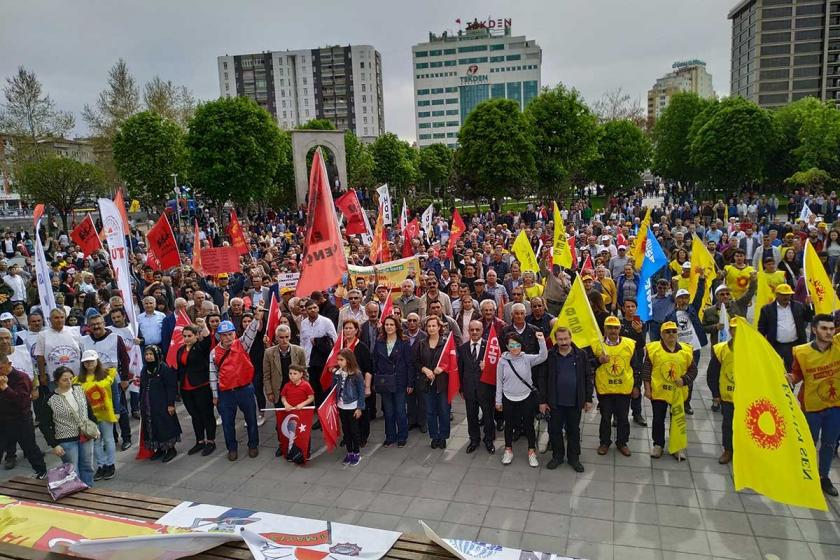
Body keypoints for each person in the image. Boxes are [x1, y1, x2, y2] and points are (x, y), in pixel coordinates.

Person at [789, 314, 840, 496]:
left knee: (829, 444)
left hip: (835, 407)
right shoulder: (801, 352)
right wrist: (790, 379)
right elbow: (797, 374)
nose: (828, 332)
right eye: (824, 328)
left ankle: (824, 477)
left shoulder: (838, 345)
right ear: (813, 329)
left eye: (831, 329)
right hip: (811, 407)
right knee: (808, 443)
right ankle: (805, 476)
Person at [536, 326, 593, 472]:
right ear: (556, 340)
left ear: (571, 338)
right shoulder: (549, 356)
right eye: (560, 339)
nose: (563, 342)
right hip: (555, 402)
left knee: (573, 430)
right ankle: (557, 456)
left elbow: (588, 377)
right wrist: (542, 401)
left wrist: (588, 399)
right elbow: (542, 379)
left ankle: (574, 458)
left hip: (575, 402)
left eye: (566, 338)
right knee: (554, 430)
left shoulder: (581, 355)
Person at [210, 308, 263, 461]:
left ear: (235, 333)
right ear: (219, 336)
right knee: (227, 422)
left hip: (245, 389)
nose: (227, 338)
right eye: (224, 335)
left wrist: (257, 318)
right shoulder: (213, 353)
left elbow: (250, 332)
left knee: (251, 419)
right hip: (226, 393)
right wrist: (215, 395)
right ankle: (231, 448)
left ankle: (253, 445)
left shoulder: (242, 344)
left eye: (230, 334)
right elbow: (212, 375)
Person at [643, 321, 697, 461]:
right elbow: (647, 371)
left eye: (674, 331)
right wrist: (647, 389)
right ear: (661, 334)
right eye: (667, 331)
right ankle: (658, 444)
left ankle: (676, 446)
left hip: (678, 394)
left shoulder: (686, 350)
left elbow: (693, 370)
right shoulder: (653, 349)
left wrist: (684, 380)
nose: (671, 334)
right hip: (659, 392)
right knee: (658, 420)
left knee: (677, 420)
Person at [495, 330, 548, 467]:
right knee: (509, 425)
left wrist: (541, 340)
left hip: (526, 397)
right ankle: (508, 450)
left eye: (517, 345)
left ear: (521, 345)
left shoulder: (526, 358)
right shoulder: (502, 361)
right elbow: (499, 382)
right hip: (508, 397)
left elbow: (543, 356)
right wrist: (498, 400)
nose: (515, 348)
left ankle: (531, 451)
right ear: (507, 347)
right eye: (511, 345)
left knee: (529, 425)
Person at [42, 366, 96, 487]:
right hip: (66, 439)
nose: (69, 382)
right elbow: (44, 425)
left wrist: (94, 426)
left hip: (85, 435)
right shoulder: (50, 399)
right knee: (72, 470)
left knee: (87, 466)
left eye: (71, 378)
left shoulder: (79, 389)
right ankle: (75, 493)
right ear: (56, 381)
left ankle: (89, 489)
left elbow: (89, 410)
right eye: (65, 379)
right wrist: (54, 444)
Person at [595, 316, 638, 457]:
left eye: (616, 327)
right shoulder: (597, 344)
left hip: (624, 388)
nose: (613, 330)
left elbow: (636, 366)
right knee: (605, 417)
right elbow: (588, 364)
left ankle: (622, 442)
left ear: (620, 329)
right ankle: (604, 442)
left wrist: (637, 386)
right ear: (604, 329)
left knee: (623, 418)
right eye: (609, 327)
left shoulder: (630, 344)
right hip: (605, 389)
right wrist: (598, 361)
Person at [665, 273, 707, 415]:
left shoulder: (693, 309)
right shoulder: (670, 316)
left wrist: (701, 280)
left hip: (694, 348)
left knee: (690, 376)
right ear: (676, 300)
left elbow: (700, 296)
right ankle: (674, 400)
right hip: (679, 350)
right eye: (680, 298)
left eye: (685, 298)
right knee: (677, 375)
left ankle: (687, 403)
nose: (683, 301)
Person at [0, 355, 47, 479]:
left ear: (8, 364)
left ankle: (41, 471)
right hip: (3, 420)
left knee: (29, 447)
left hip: (20, 419)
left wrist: (5, 388)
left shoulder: (21, 377)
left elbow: (22, 402)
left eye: (0, 368)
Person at [76, 350, 118, 481]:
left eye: (91, 361)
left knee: (108, 439)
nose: (89, 363)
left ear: (97, 361)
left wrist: (117, 411)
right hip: (89, 415)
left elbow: (116, 393)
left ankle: (110, 465)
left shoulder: (108, 374)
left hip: (106, 412)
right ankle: (101, 465)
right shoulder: (78, 380)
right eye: (86, 362)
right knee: (96, 441)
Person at [176, 323, 217, 457]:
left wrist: (204, 326)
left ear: (196, 336)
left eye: (190, 336)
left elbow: (207, 340)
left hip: (201, 386)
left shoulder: (200, 348)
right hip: (186, 388)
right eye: (185, 336)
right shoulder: (181, 350)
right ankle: (200, 441)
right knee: (195, 415)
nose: (187, 338)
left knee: (206, 415)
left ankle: (210, 441)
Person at [373, 315, 414, 447]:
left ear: (396, 326)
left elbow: (409, 363)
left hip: (400, 381)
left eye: (391, 324)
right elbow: (375, 360)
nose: (389, 327)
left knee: (400, 410)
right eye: (386, 325)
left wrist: (410, 383)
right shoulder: (379, 341)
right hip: (385, 381)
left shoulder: (404, 341)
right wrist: (376, 378)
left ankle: (402, 436)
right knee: (389, 411)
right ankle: (390, 436)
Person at [457, 320, 495, 454]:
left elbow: (497, 368)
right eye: (472, 330)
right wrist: (461, 388)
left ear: (482, 330)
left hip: (486, 390)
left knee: (488, 417)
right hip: (469, 390)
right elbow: (460, 370)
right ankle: (474, 440)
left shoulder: (490, 347)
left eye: (477, 330)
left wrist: (488, 368)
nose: (474, 332)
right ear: (468, 331)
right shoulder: (462, 348)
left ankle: (489, 440)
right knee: (471, 416)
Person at [139, 345, 181, 463]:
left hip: (162, 403)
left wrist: (170, 404)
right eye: (146, 354)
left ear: (157, 355)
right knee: (152, 426)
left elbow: (171, 387)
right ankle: (160, 449)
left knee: (165, 425)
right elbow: (142, 386)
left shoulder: (164, 368)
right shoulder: (145, 369)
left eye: (151, 354)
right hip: (148, 404)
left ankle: (171, 449)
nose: (148, 357)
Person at [416, 315, 451, 449]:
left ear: (439, 327)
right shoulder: (421, 344)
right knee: (430, 412)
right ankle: (434, 436)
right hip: (426, 384)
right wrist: (425, 369)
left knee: (443, 411)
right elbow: (416, 362)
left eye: (434, 326)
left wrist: (442, 368)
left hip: (442, 383)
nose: (431, 328)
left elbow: (453, 360)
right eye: (429, 326)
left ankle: (443, 436)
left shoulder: (446, 342)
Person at [757, 283, 810, 371]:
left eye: (788, 294)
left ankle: (790, 385)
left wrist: (808, 306)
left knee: (792, 370)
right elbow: (762, 328)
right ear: (776, 294)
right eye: (783, 295)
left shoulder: (798, 306)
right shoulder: (767, 309)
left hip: (794, 345)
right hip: (776, 345)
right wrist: (761, 344)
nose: (786, 297)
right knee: (774, 369)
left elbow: (809, 318)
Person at [707, 319, 738, 465]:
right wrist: (715, 394)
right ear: (730, 331)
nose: (737, 332)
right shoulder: (721, 349)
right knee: (727, 424)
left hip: (746, 397)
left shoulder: (752, 351)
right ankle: (728, 450)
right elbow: (712, 374)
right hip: (727, 395)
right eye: (734, 329)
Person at [339, 319, 374, 446]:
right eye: (346, 328)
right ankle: (347, 437)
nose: (348, 330)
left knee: (361, 414)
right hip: (344, 386)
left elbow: (369, 369)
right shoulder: (340, 345)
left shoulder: (362, 347)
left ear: (356, 330)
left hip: (359, 385)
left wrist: (367, 387)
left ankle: (362, 437)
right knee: (346, 414)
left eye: (350, 328)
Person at [332, 348, 366, 466]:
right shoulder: (337, 373)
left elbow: (361, 392)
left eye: (341, 360)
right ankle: (349, 451)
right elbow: (334, 390)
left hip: (352, 406)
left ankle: (356, 453)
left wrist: (360, 407)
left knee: (354, 431)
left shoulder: (356, 374)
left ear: (349, 360)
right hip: (341, 406)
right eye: (338, 360)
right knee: (346, 430)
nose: (339, 362)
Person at [279, 364, 314, 461]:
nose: (292, 376)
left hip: (302, 414)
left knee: (304, 432)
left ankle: (306, 451)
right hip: (291, 414)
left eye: (295, 373)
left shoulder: (306, 385)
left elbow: (311, 397)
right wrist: (285, 404)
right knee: (292, 434)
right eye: (290, 373)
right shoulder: (287, 385)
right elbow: (283, 397)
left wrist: (302, 404)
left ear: (301, 374)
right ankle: (292, 452)